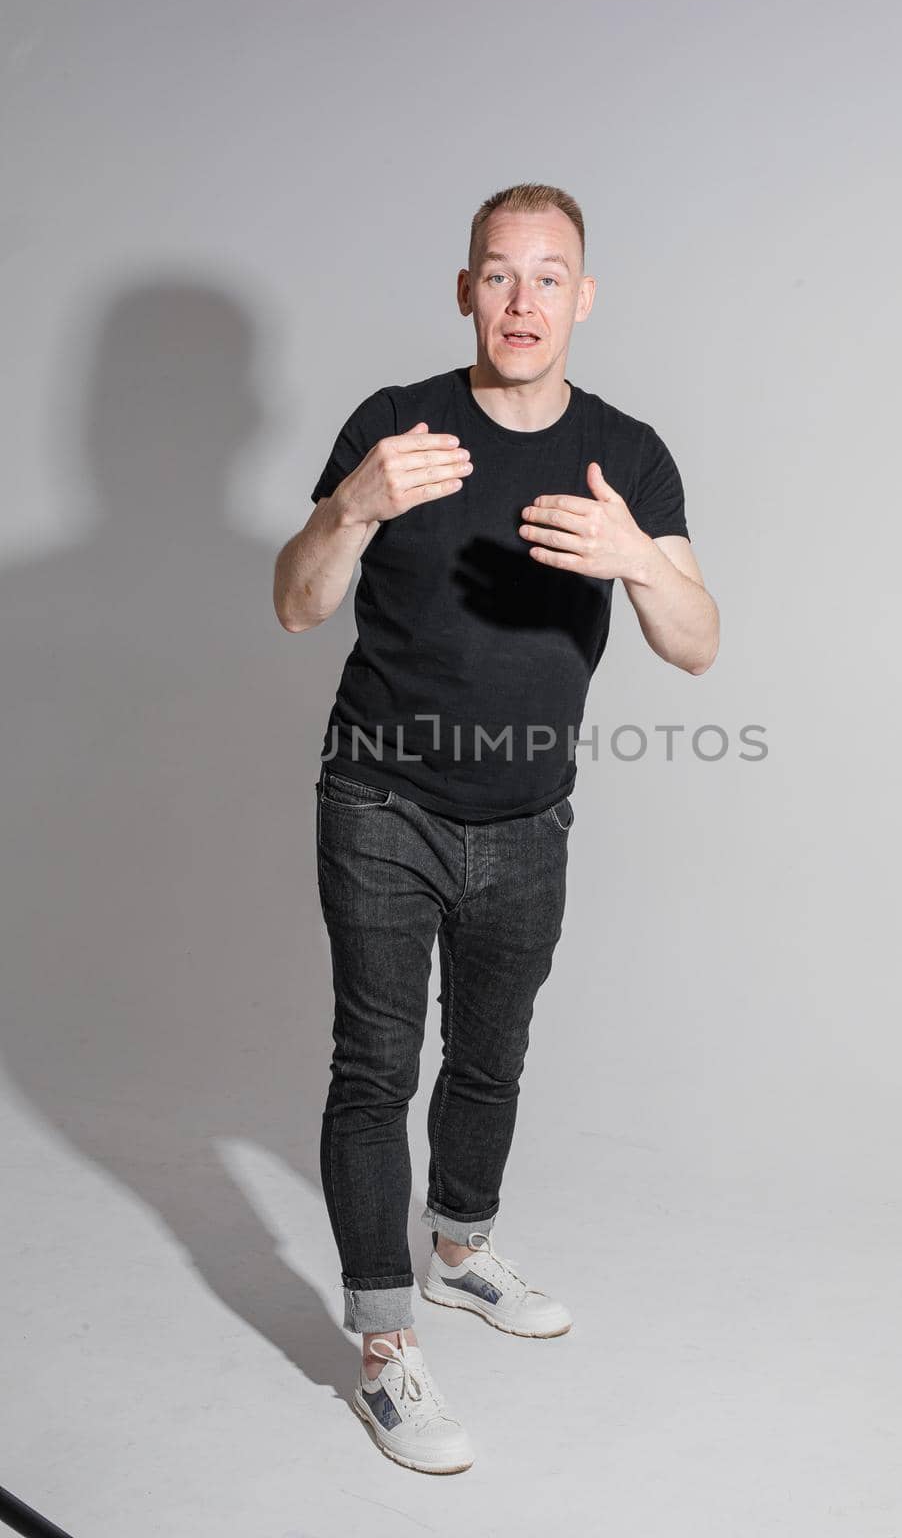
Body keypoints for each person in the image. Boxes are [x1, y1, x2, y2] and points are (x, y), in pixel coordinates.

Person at [273, 181, 719, 1474]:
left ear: (583, 296)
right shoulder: (392, 426)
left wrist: (640, 559)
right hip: (379, 801)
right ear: (464, 288)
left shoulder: (627, 455)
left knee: (493, 1056)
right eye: (497, 273)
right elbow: (298, 607)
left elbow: (696, 646)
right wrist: (350, 506)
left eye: (547, 275)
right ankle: (382, 1349)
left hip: (529, 815)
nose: (521, 300)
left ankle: (461, 1251)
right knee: (375, 1068)